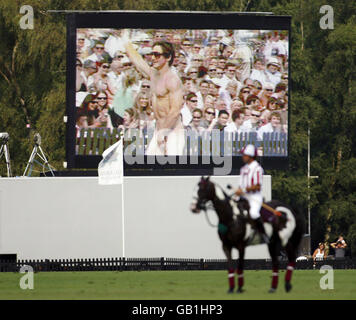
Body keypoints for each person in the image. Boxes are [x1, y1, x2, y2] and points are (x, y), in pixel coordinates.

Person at [123, 30, 185, 156]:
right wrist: (125, 39)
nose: (153, 58)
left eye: (157, 55)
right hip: (159, 129)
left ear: (168, 57)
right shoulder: (154, 74)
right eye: (152, 54)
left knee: (173, 171)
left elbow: (175, 110)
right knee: (150, 170)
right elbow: (138, 61)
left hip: (172, 130)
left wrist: (163, 132)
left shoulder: (173, 80)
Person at [234, 144, 269, 244]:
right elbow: (241, 186)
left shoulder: (257, 169)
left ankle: (263, 234)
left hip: (254, 196)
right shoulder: (243, 169)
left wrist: (243, 190)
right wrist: (237, 193)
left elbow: (257, 186)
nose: (242, 157)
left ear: (250, 156)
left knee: (254, 213)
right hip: (243, 196)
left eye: (244, 155)